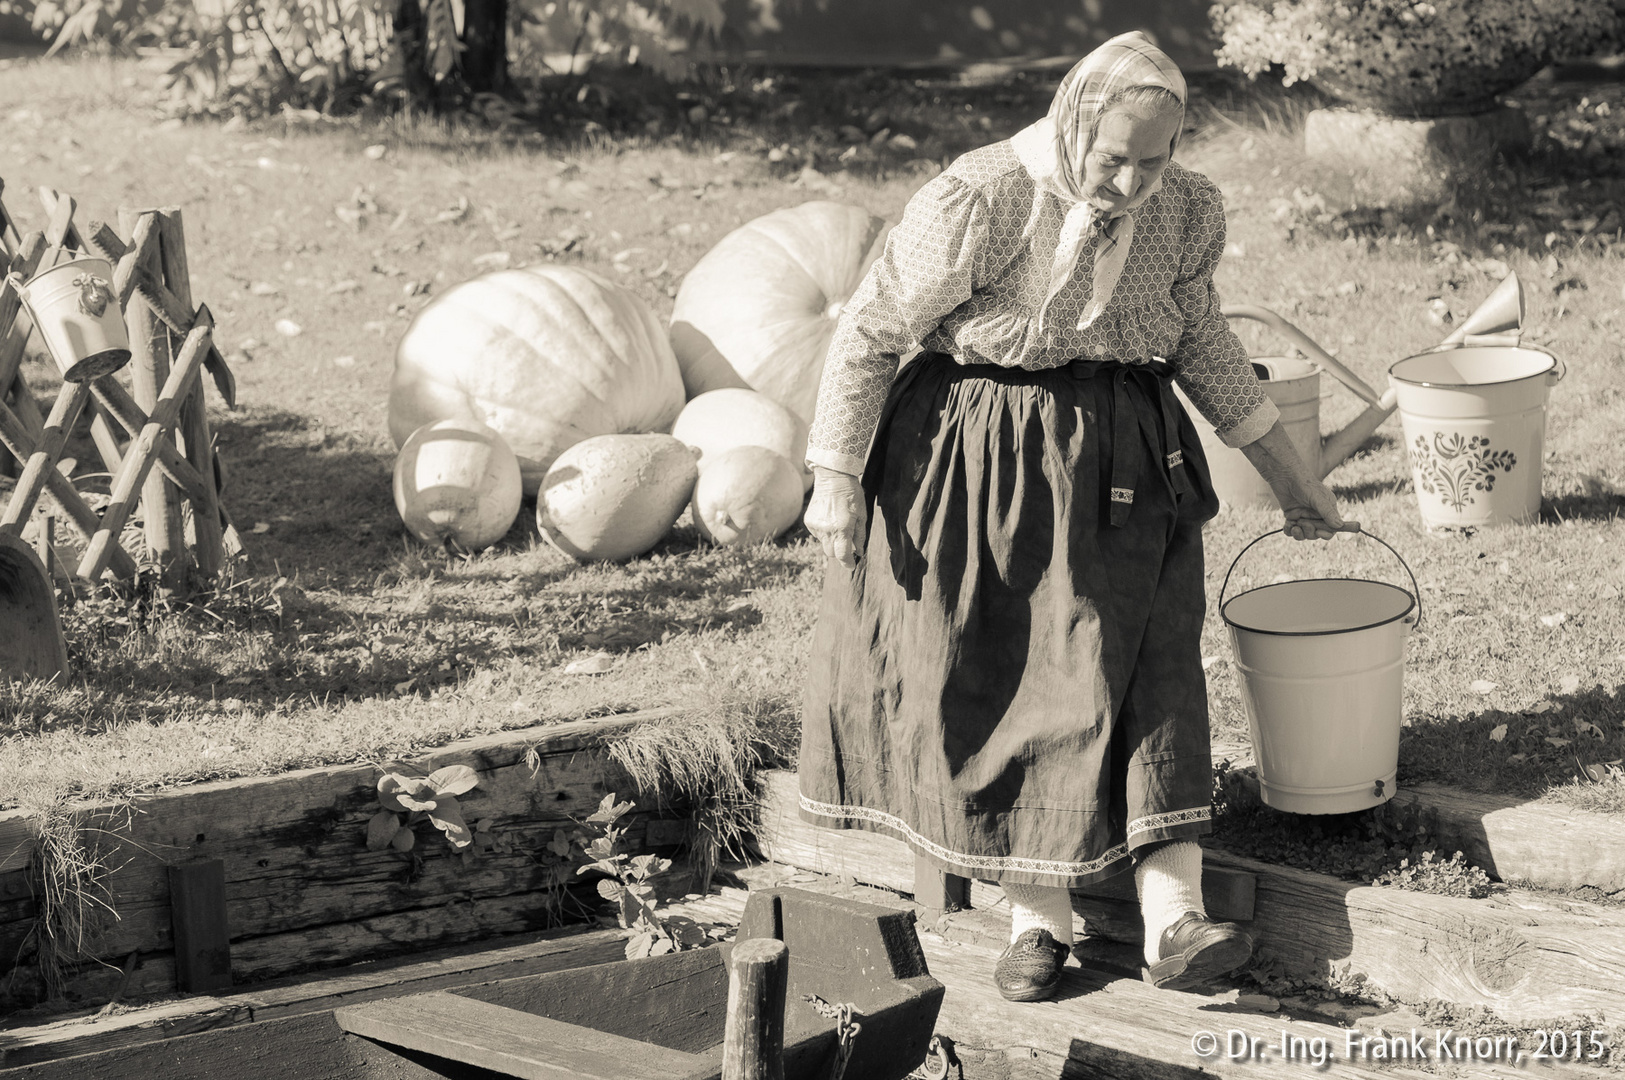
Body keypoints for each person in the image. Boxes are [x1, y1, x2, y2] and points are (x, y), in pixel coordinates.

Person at [798, 31, 1356, 1003]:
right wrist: (835, 476)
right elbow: (871, 330)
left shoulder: (1185, 211)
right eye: (1113, 158)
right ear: (1069, 125)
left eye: (1156, 157)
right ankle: (1034, 924)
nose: (1133, 181)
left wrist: (1292, 474)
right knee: (1028, 677)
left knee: (1152, 663)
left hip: (1129, 452)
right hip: (987, 456)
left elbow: (1204, 345)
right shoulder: (981, 198)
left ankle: (1171, 922)